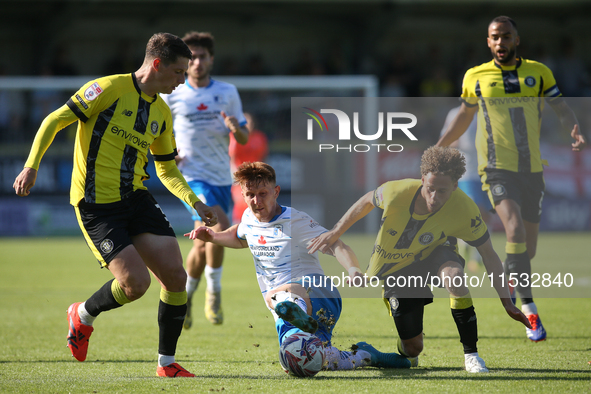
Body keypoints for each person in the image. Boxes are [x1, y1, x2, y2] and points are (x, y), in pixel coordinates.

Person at [13, 32, 218, 378]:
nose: (183, 81)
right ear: (157, 64)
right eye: (178, 73)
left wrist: (194, 202)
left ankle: (166, 364)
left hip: (135, 199)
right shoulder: (107, 89)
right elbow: (55, 119)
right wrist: (31, 165)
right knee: (136, 285)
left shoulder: (162, 113)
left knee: (175, 276)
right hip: (95, 204)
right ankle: (82, 315)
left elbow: (166, 168)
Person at [308, 146, 531, 373]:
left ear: (455, 186)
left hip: (436, 250)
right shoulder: (396, 192)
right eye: (430, 188)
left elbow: (489, 255)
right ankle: (399, 346)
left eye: (442, 191)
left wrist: (507, 302)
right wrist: (335, 232)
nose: (434, 197)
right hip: (397, 267)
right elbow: (366, 201)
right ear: (423, 179)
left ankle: (471, 355)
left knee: (454, 277)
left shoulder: (465, 210)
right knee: (413, 349)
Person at [436, 16, 586, 342]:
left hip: (533, 170)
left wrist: (573, 125)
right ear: (488, 42)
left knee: (526, 250)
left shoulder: (539, 73)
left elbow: (562, 108)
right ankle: (530, 311)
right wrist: (438, 148)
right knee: (513, 228)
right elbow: (463, 115)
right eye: (494, 37)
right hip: (495, 168)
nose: (500, 42)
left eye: (506, 36)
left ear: (516, 40)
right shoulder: (475, 77)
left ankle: (513, 272)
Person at [185, 161, 411, 371]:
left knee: (275, 296)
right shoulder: (249, 218)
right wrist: (213, 237)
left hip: (318, 292)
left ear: (276, 191)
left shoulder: (296, 222)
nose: (256, 201)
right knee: (301, 361)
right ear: (242, 195)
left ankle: (295, 310)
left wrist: (352, 269)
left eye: (262, 194)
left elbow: (335, 245)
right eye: (250, 195)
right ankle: (365, 356)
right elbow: (239, 235)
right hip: (287, 307)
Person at [162, 31, 249, 327]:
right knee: (219, 225)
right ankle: (214, 293)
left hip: (221, 178)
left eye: (202, 56)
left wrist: (235, 128)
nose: (197, 62)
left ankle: (184, 298)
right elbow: (156, 132)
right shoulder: (172, 92)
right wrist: (167, 154)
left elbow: (244, 136)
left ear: (211, 59)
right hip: (191, 177)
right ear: (186, 62)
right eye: (192, 57)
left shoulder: (227, 92)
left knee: (202, 243)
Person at [440, 106, 493, 272]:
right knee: (472, 211)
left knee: (487, 215)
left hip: (489, 171)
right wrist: (459, 139)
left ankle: (477, 257)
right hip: (467, 172)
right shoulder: (455, 113)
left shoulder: (491, 112)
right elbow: (445, 138)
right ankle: (462, 248)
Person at [228, 112, 269, 224]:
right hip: (241, 177)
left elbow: (263, 157)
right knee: (242, 202)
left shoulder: (260, 137)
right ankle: (238, 227)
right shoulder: (234, 137)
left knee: (260, 202)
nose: (249, 124)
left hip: (257, 177)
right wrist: (238, 177)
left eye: (250, 122)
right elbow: (232, 158)